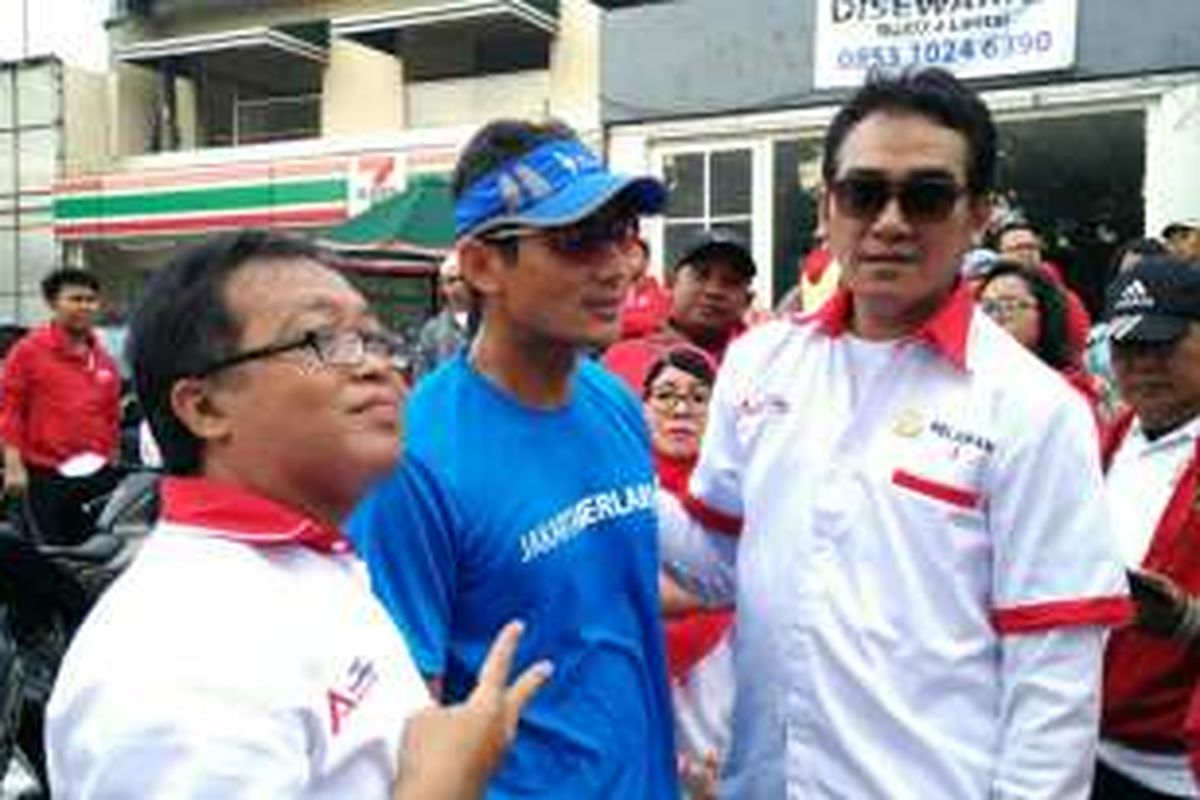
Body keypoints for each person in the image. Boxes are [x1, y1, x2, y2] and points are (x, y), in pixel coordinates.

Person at [656, 67, 1131, 798]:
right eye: (864, 191)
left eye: (928, 196)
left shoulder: (1033, 410)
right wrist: (597, 468)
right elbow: (721, 559)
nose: (890, 221)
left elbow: (1055, 682)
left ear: (977, 216)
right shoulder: (759, 364)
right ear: (828, 207)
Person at [45, 230, 550, 799]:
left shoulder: (307, 559)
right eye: (321, 339)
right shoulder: (178, 653)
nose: (378, 367)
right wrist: (443, 785)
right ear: (205, 406)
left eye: (377, 339)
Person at [348, 120, 679, 798]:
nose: (617, 266)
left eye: (623, 235)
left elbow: (613, 605)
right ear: (481, 266)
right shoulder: (411, 462)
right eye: (578, 239)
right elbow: (407, 717)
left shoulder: (614, 401)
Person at [1093, 257, 1200, 800]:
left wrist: (1186, 621)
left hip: (1178, 772)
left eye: (1162, 345)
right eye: (1127, 348)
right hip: (1084, 751)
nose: (1142, 365)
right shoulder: (1102, 442)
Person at [641, 346, 732, 800]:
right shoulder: (619, 486)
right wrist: (723, 591)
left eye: (699, 398)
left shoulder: (737, 492)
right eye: (666, 395)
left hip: (721, 674)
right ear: (642, 406)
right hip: (635, 668)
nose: (681, 409)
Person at [1, 268, 121, 545]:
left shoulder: (102, 359)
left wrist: (112, 453)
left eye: (90, 299)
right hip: (46, 475)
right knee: (52, 553)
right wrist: (13, 465)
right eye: (75, 299)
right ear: (53, 303)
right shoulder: (28, 351)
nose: (85, 306)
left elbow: (110, 413)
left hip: (96, 473)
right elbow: (10, 410)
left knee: (93, 550)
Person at [604, 230, 754, 389]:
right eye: (701, 275)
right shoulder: (623, 354)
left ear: (747, 300)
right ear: (671, 284)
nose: (713, 290)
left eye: (731, 281)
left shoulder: (762, 361)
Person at [976, 260, 1105, 429]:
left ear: (1044, 314)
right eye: (986, 308)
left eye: (1008, 305)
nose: (993, 318)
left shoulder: (1069, 394)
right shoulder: (967, 382)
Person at [993, 218, 1092, 363]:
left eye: (1031, 247)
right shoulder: (985, 294)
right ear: (1000, 255)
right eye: (1017, 248)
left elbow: (1077, 349)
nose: (1026, 253)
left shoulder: (1066, 299)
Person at [413, 252, 473, 380]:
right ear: (442, 286)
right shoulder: (432, 331)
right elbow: (422, 380)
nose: (458, 285)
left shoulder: (491, 326)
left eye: (462, 278)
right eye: (451, 280)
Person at [617, 237, 672, 339]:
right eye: (623, 255)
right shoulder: (608, 293)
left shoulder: (661, 295)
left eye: (633, 255)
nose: (626, 261)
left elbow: (656, 323)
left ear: (646, 262)